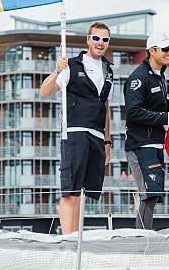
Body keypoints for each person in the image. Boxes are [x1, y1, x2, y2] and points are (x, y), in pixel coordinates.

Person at [40, 22, 114, 234]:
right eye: (97, 38)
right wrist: (57, 70)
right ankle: (68, 239)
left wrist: (107, 141)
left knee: (83, 191)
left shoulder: (109, 71)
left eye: (105, 39)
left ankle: (76, 238)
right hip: (75, 132)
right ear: (88, 39)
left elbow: (106, 106)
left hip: (97, 136)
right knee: (70, 191)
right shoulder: (72, 65)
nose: (100, 43)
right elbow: (45, 91)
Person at [124, 32, 169, 230]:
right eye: (165, 49)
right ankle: (142, 239)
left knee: (154, 195)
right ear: (152, 51)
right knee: (149, 194)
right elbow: (133, 112)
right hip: (140, 145)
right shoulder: (138, 78)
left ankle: (144, 236)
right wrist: (165, 117)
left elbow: (159, 105)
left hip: (156, 144)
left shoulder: (160, 76)